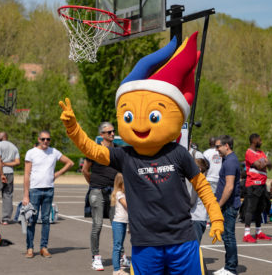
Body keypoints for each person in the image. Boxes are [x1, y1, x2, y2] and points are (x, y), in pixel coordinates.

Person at [60, 32, 223, 275]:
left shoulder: (177, 153)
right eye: (128, 116)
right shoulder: (125, 155)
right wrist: (74, 129)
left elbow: (201, 184)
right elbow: (92, 150)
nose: (140, 124)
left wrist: (216, 215)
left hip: (182, 240)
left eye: (154, 116)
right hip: (146, 243)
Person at [22, 130, 74, 258]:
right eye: (43, 139)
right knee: (31, 220)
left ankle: (44, 247)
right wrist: (25, 195)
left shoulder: (54, 152)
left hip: (49, 190)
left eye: (48, 139)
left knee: (46, 220)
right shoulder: (31, 153)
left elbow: (70, 163)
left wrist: (56, 174)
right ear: (39, 139)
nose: (46, 141)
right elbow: (26, 174)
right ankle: (29, 248)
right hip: (34, 190)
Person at [82, 122, 119, 271]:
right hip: (97, 191)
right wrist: (94, 185)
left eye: (113, 131)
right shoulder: (94, 150)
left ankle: (120, 255)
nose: (112, 134)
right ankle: (96, 257)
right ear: (102, 135)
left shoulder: (118, 151)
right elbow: (85, 170)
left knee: (117, 225)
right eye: (109, 132)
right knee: (97, 225)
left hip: (114, 192)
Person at [213, 135, 241, 275]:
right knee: (227, 236)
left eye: (218, 146)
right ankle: (228, 266)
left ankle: (231, 268)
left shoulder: (230, 162)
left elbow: (229, 187)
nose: (216, 149)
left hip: (229, 206)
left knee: (229, 237)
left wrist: (219, 204)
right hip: (227, 205)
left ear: (227, 146)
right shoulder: (227, 160)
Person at [243, 133, 272, 243]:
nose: (261, 141)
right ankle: (247, 233)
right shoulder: (249, 152)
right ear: (254, 140)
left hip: (262, 184)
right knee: (251, 208)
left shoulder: (261, 152)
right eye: (260, 139)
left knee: (260, 208)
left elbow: (270, 164)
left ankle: (258, 231)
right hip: (253, 184)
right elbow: (259, 165)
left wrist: (264, 162)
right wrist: (264, 162)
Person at [111, 173, 129, 275]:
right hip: (118, 223)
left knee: (120, 245)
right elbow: (127, 206)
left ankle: (119, 268)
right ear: (121, 183)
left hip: (123, 222)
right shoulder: (119, 194)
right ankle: (116, 270)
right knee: (117, 246)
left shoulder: (123, 193)